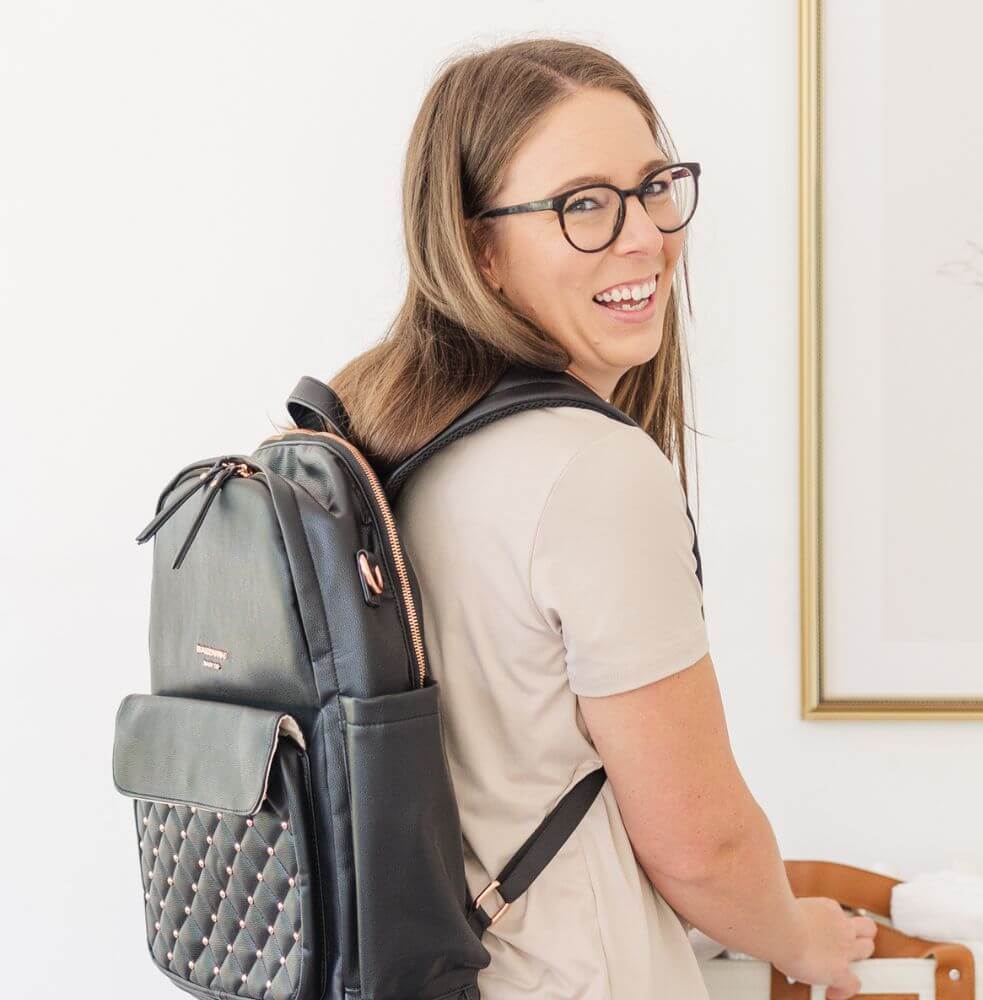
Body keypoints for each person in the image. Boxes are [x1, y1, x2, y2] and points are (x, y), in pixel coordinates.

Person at [326, 36, 876, 1000]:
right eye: (583, 204)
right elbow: (699, 841)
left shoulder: (379, 431)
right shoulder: (591, 471)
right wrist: (801, 938)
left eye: (652, 186)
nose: (645, 237)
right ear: (480, 249)